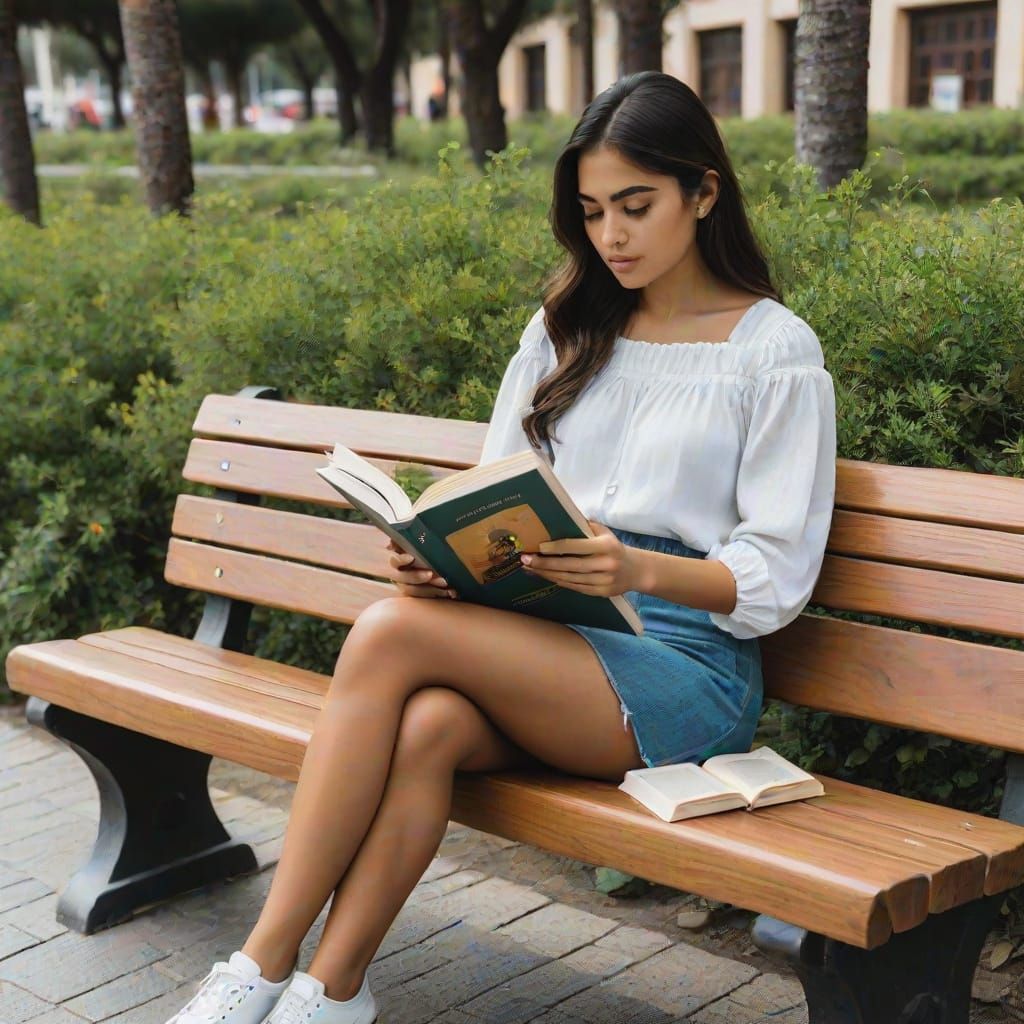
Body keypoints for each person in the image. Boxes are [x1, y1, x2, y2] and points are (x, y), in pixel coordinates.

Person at [163, 69, 836, 1024]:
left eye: (636, 206)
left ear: (705, 191)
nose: (611, 235)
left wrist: (634, 567)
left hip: (685, 666)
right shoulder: (566, 327)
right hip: (552, 630)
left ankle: (257, 964)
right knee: (429, 722)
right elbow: (493, 491)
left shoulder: (773, 353)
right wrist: (435, 556)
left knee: (393, 640)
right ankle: (330, 993)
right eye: (594, 211)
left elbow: (778, 577)